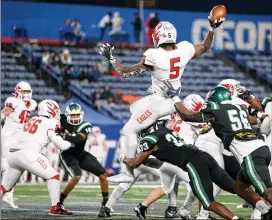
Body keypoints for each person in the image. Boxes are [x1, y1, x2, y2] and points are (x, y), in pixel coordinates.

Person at [99, 11, 226, 184]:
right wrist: (212, 29)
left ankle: (128, 173)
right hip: (172, 102)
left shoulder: (154, 55)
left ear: (157, 37)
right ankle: (151, 138)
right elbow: (204, 47)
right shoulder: (184, 49)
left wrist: (112, 59)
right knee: (134, 107)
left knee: (129, 130)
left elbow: (125, 72)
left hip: (159, 102)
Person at [162, 82, 272, 220]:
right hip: (260, 148)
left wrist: (175, 98)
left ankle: (201, 213)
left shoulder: (215, 108)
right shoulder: (239, 108)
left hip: (249, 153)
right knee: (240, 187)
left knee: (267, 192)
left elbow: (188, 116)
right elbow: (254, 121)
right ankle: (266, 211)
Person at [120, 120, 240, 220]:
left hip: (193, 163)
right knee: (235, 188)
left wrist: (123, 158)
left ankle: (234, 218)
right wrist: (145, 161)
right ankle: (258, 205)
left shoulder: (150, 139)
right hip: (204, 156)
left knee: (207, 202)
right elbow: (160, 163)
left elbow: (135, 163)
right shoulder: (168, 131)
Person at [1, 99, 73, 215]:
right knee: (54, 176)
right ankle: (55, 208)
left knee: (4, 187)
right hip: (28, 154)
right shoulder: (52, 123)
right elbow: (61, 145)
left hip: (13, 154)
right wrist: (71, 142)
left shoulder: (33, 119)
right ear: (51, 110)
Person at [58, 103, 109, 216]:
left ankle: (106, 203)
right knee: (77, 176)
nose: (75, 117)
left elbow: (78, 139)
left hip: (80, 153)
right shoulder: (61, 119)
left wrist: (63, 135)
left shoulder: (85, 125)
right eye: (73, 115)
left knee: (103, 175)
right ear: (67, 115)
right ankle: (60, 202)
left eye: (77, 115)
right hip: (67, 154)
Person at [1, 81, 37, 208]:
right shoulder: (13, 101)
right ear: (17, 92)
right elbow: (3, 113)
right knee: (7, 165)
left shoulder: (32, 104)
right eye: (23, 91)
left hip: (17, 138)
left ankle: (8, 195)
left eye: (27, 91)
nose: (25, 94)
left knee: (14, 166)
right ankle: (7, 194)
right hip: (8, 136)